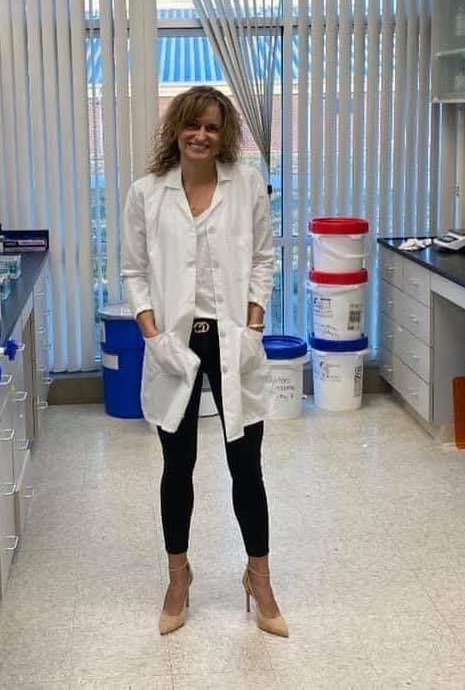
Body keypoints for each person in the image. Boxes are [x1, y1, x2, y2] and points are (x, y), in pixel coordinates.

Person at [121, 85, 287, 638]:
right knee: (178, 466)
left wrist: (254, 325)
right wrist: (151, 334)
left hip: (234, 340)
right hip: (174, 342)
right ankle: (178, 576)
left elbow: (264, 258)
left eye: (212, 128)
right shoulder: (145, 193)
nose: (201, 136)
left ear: (225, 135)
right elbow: (132, 271)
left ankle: (259, 578)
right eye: (192, 126)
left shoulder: (247, 187)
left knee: (247, 465)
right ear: (176, 130)